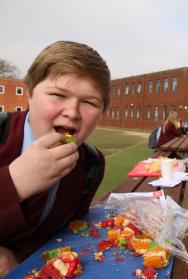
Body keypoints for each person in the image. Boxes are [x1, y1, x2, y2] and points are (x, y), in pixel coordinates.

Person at [0, 41, 111, 277]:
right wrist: (15, 182)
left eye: (90, 102)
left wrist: (19, 255)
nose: (72, 112)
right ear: (29, 93)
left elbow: (67, 235)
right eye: (58, 95)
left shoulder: (92, 165)